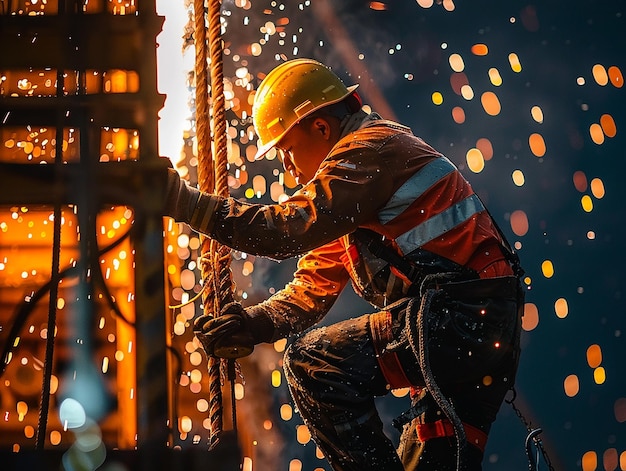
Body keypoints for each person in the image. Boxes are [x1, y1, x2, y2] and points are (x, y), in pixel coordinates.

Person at [164, 58, 524, 471]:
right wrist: (254, 324)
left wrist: (185, 204)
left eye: (286, 149)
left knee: (313, 365)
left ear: (321, 127)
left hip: (459, 319)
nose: (285, 166)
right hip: (480, 327)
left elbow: (286, 230)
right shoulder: (353, 194)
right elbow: (310, 290)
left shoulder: (368, 151)